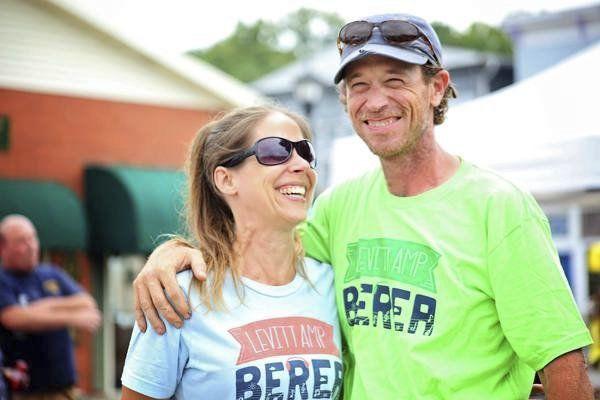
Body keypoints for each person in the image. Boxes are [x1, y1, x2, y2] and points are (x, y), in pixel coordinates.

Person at [131, 14, 594, 399]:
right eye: (358, 85)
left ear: (437, 88)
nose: (376, 102)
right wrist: (171, 255)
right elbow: (256, 247)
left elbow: (563, 363)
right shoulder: (339, 207)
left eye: (395, 80)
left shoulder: (501, 208)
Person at [120, 106, 343, 399]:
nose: (301, 164)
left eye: (305, 151)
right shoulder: (175, 294)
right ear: (226, 180)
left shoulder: (331, 282)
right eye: (277, 150)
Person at [0, 214, 101, 400]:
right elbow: (13, 318)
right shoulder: (4, 280)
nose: (31, 246)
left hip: (64, 388)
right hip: (23, 392)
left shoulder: (51, 274)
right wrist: (69, 317)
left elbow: (86, 303)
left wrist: (39, 307)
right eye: (22, 241)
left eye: (33, 238)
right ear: (3, 247)